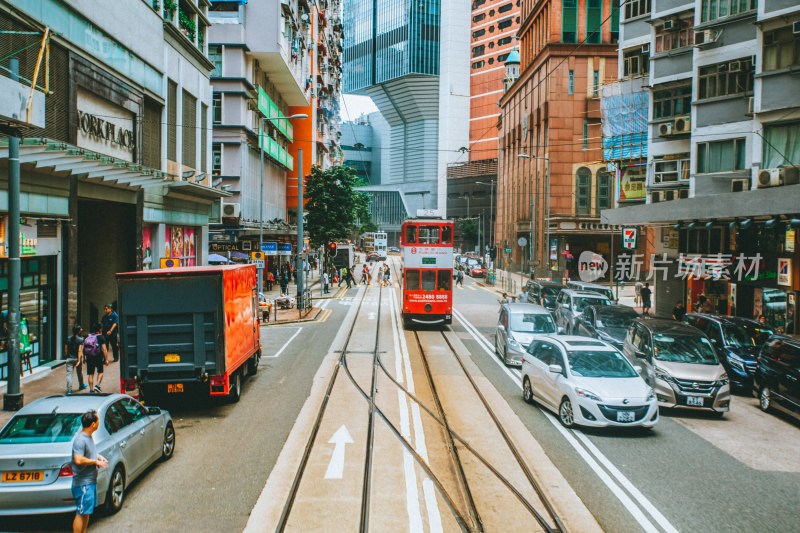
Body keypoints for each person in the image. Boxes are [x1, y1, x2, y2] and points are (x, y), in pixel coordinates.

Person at [71, 411, 108, 533]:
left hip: (89, 482)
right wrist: (95, 462)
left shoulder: (88, 436)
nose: (99, 422)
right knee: (81, 513)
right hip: (83, 483)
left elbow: (88, 452)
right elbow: (78, 459)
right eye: (97, 420)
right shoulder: (80, 440)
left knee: (86, 512)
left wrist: (98, 456)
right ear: (93, 424)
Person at [83, 323, 108, 393]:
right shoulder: (100, 337)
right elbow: (104, 349)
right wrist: (106, 359)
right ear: (100, 329)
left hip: (89, 357)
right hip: (98, 356)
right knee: (100, 372)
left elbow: (84, 348)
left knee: (90, 374)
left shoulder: (87, 336)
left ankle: (91, 389)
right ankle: (97, 385)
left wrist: (84, 358)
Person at [65, 326, 87, 394]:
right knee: (79, 372)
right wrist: (81, 359)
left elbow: (66, 348)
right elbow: (80, 351)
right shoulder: (81, 340)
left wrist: (67, 355)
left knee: (69, 374)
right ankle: (81, 385)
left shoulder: (68, 338)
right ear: (79, 331)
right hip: (77, 359)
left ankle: (69, 389)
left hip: (69, 358)